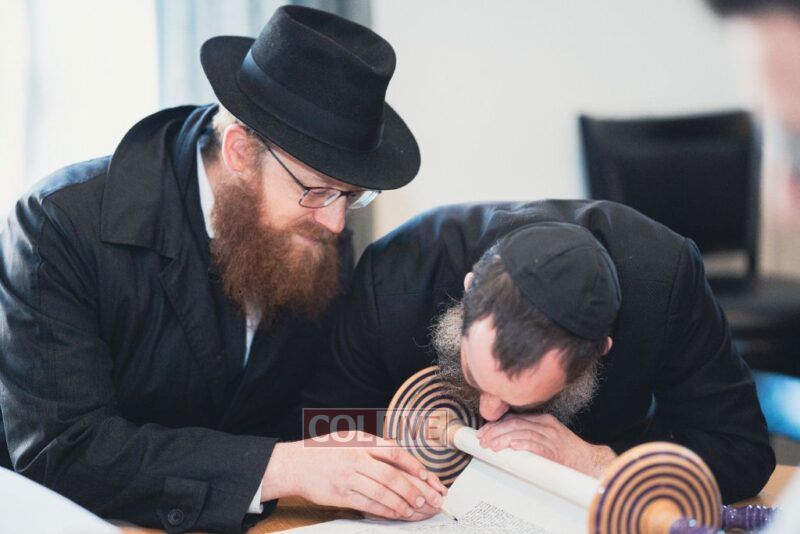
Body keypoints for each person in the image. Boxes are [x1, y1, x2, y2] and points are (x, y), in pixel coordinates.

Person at [0, 6, 446, 533]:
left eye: (352, 195)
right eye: (318, 190)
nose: (335, 222)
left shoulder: (317, 227)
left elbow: (307, 405)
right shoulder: (60, 224)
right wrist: (280, 467)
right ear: (238, 151)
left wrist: (423, 431)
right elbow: (63, 450)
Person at [306, 200, 776, 503]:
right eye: (473, 373)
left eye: (524, 399)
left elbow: (742, 453)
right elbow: (321, 425)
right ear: (467, 293)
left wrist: (596, 462)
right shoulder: (396, 275)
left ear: (598, 354)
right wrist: (390, 459)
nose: (490, 413)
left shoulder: (665, 281)